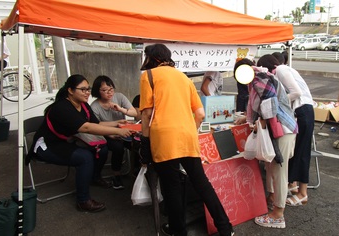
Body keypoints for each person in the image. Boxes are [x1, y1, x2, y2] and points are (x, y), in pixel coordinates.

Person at [139, 44, 234, 236]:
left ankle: (178, 231)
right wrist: (189, 130)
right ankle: (225, 228)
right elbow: (199, 113)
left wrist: (144, 142)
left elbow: (147, 113)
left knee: (172, 187)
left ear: (153, 58)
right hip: (188, 136)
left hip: (164, 138)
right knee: (202, 183)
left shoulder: (148, 76)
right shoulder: (183, 77)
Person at [27, 74, 134, 212]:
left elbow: (96, 123)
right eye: (83, 89)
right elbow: (86, 127)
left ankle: (95, 177)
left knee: (102, 150)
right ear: (70, 90)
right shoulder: (62, 107)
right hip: (48, 145)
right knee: (85, 158)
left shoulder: (83, 105)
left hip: (66, 141)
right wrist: (118, 132)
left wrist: (117, 123)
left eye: (88, 89)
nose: (87, 92)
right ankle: (83, 200)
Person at [237, 55, 297, 229]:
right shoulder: (259, 79)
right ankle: (272, 199)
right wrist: (249, 119)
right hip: (280, 129)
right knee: (271, 167)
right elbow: (259, 106)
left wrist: (258, 124)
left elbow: (270, 108)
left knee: (279, 171)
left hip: (282, 130)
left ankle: (278, 214)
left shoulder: (260, 80)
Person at [271, 52, 315, 206]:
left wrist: (277, 102)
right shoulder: (287, 70)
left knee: (302, 152)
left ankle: (303, 193)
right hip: (302, 111)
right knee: (296, 151)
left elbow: (296, 92)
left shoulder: (281, 70)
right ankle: (294, 185)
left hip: (303, 110)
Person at [90, 75, 137, 189]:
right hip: (105, 134)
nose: (109, 92)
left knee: (138, 142)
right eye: (105, 90)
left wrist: (120, 109)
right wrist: (110, 134)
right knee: (118, 147)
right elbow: (96, 126)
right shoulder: (95, 106)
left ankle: (137, 170)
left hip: (123, 131)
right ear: (98, 91)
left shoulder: (119, 97)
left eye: (111, 89)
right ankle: (116, 174)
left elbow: (134, 113)